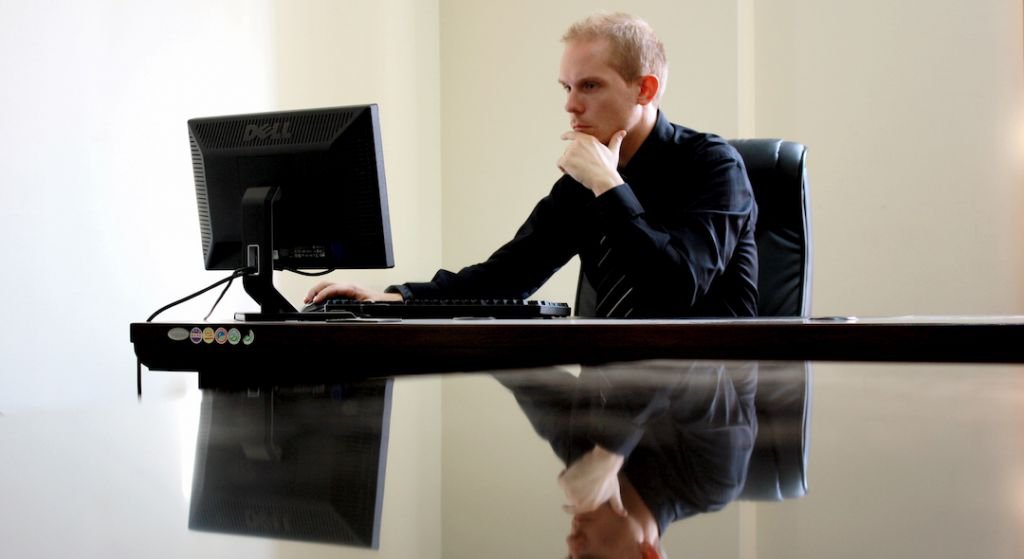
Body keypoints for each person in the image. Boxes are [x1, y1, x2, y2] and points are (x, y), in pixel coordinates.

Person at [306, 12, 758, 318]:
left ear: (644, 89)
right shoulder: (584, 181)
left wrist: (608, 185)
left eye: (590, 86)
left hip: (705, 408)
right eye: (566, 87)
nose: (571, 106)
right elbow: (506, 278)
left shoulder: (714, 167)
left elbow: (676, 289)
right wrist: (393, 298)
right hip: (610, 399)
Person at [494, 360, 758, 558]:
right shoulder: (712, 481)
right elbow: (679, 357)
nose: (572, 544)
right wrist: (609, 454)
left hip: (621, 299)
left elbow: (518, 368)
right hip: (706, 297)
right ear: (647, 554)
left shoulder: (581, 456)